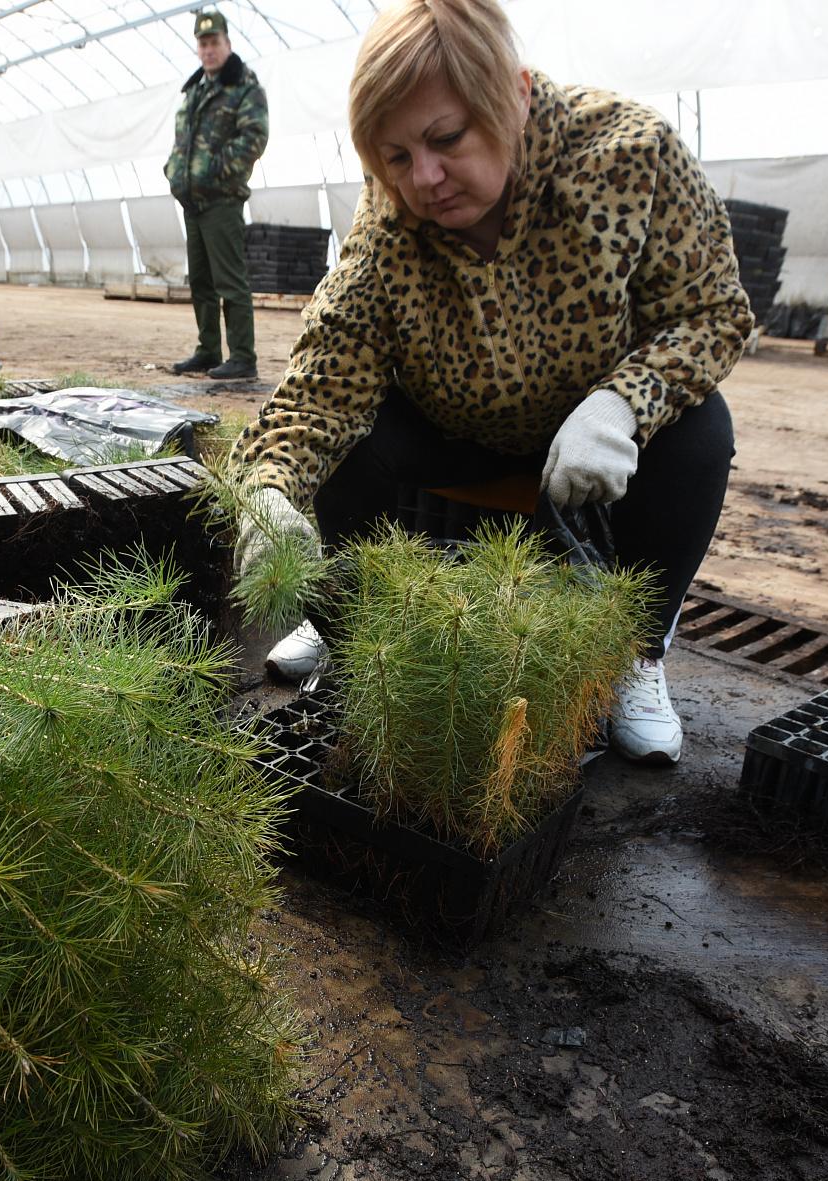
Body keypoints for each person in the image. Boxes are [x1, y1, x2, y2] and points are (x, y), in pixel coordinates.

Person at [229, 0, 752, 765]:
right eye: (397, 156)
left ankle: (636, 655)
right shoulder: (389, 228)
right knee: (350, 438)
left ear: (513, 95)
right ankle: (358, 634)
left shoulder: (626, 159)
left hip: (585, 439)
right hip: (455, 436)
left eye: (446, 139)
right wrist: (270, 488)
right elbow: (321, 384)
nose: (426, 179)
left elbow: (714, 313)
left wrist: (623, 403)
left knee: (703, 434)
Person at [164, 8, 268, 381]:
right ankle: (208, 350)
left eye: (214, 42)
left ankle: (243, 356)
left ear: (227, 43)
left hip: (221, 200)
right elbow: (182, 144)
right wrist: (175, 175)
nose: (208, 50)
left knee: (230, 280)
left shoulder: (244, 86)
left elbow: (253, 138)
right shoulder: (194, 90)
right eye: (203, 44)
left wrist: (214, 174)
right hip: (192, 201)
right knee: (201, 282)